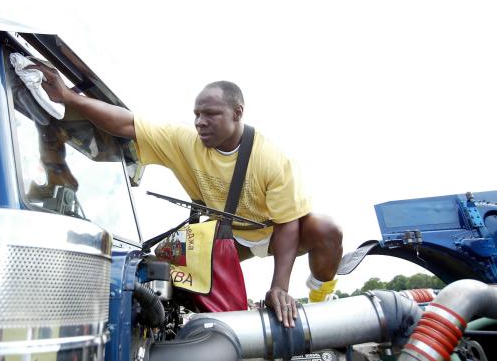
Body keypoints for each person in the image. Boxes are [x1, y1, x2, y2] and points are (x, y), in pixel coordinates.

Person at [29, 64, 343, 328]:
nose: (200, 122)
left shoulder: (271, 159)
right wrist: (70, 98)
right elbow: (125, 123)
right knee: (154, 265)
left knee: (326, 229)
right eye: (196, 114)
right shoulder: (184, 140)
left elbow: (288, 225)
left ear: (238, 112)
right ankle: (170, 326)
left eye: (211, 114)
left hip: (274, 233)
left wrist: (279, 287)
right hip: (227, 236)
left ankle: (322, 296)